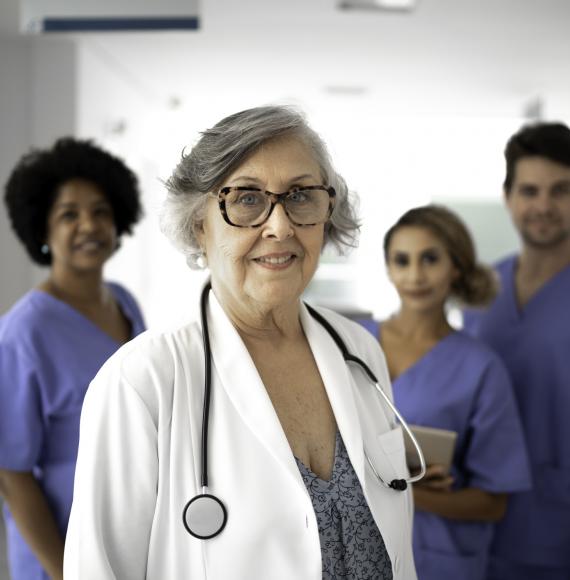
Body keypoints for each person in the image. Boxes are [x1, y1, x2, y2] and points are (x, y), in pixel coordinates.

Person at [64, 105, 417, 580]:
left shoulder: (359, 352)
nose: (280, 226)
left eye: (301, 196)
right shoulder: (142, 381)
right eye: (247, 199)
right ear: (199, 225)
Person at [358, 205, 531, 580]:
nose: (415, 275)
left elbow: (492, 502)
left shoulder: (481, 368)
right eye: (402, 261)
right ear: (388, 269)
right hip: (357, 549)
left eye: (430, 259)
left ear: (456, 266)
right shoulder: (349, 343)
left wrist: (399, 490)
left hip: (437, 559)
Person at [0, 137, 146, 580]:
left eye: (101, 211)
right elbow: (11, 474)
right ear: (42, 230)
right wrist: (65, 571)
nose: (89, 225)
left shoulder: (124, 303)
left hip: (127, 529)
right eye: (69, 214)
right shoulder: (23, 331)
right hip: (63, 543)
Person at [463, 122, 570, 580]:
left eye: (561, 190)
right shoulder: (480, 289)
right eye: (529, 190)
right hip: (480, 523)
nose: (543, 205)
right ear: (508, 198)